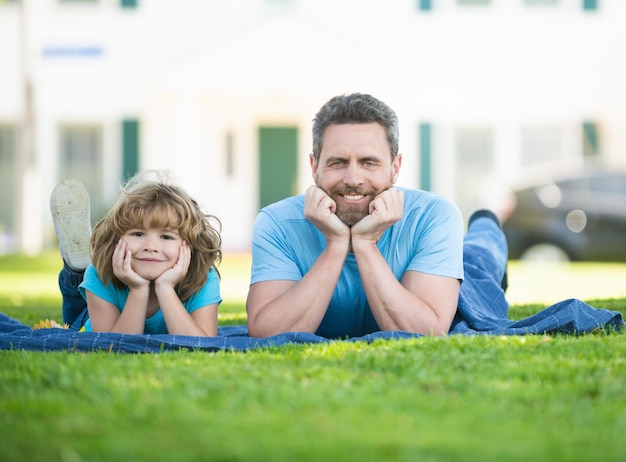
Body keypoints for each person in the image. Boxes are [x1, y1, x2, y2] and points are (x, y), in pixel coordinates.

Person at [246, 93, 508, 339]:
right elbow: (268, 333)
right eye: (337, 163)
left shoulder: (434, 216)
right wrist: (337, 245)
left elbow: (425, 332)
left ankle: (487, 220)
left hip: (466, 279)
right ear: (314, 167)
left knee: (481, 251)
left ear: (395, 168)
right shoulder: (276, 223)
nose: (353, 179)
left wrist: (365, 244)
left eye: (369, 163)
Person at [50, 172, 223, 336]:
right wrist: (138, 290)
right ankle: (75, 271)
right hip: (97, 321)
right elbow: (112, 347)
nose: (151, 247)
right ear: (117, 238)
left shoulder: (204, 278)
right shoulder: (99, 275)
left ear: (190, 245)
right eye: (138, 234)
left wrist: (165, 289)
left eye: (166, 236)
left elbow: (201, 344)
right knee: (73, 326)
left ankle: (76, 270)